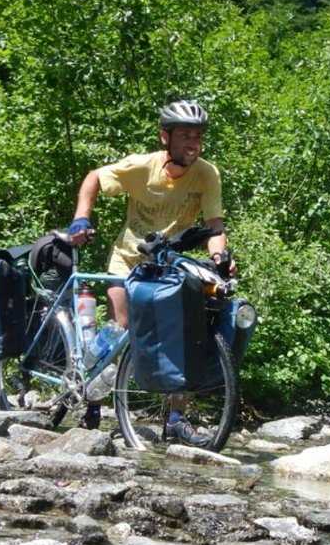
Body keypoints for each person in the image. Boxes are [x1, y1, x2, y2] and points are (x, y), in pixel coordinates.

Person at [68, 98, 236, 445]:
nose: (194, 143)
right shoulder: (142, 167)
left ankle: (176, 418)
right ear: (165, 137)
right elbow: (94, 178)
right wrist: (81, 217)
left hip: (168, 266)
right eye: (186, 135)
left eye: (199, 136)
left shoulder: (207, 173)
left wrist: (219, 258)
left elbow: (215, 226)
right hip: (128, 260)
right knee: (121, 328)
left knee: (185, 336)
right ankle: (93, 401)